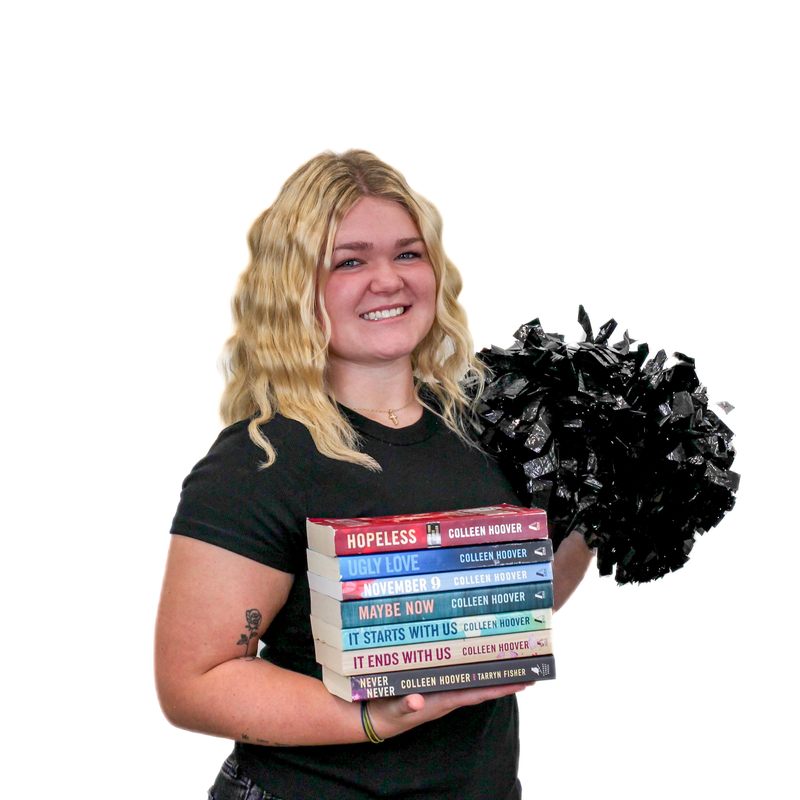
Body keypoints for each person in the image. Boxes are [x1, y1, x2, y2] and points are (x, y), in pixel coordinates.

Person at [155, 150, 594, 800]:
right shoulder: (261, 461)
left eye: (408, 254)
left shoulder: (487, 428)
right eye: (350, 260)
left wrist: (602, 509)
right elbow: (194, 682)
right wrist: (369, 718)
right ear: (296, 286)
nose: (387, 279)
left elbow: (508, 608)